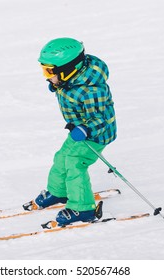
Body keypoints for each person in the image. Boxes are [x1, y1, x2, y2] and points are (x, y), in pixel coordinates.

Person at [24, 37, 117, 226]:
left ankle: (83, 208)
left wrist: (86, 128)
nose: (45, 75)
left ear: (68, 70)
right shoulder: (69, 80)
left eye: (49, 71)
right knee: (61, 158)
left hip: (97, 134)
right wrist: (57, 82)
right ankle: (59, 192)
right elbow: (66, 90)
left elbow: (101, 118)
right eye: (44, 69)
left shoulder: (92, 90)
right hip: (78, 129)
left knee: (75, 163)